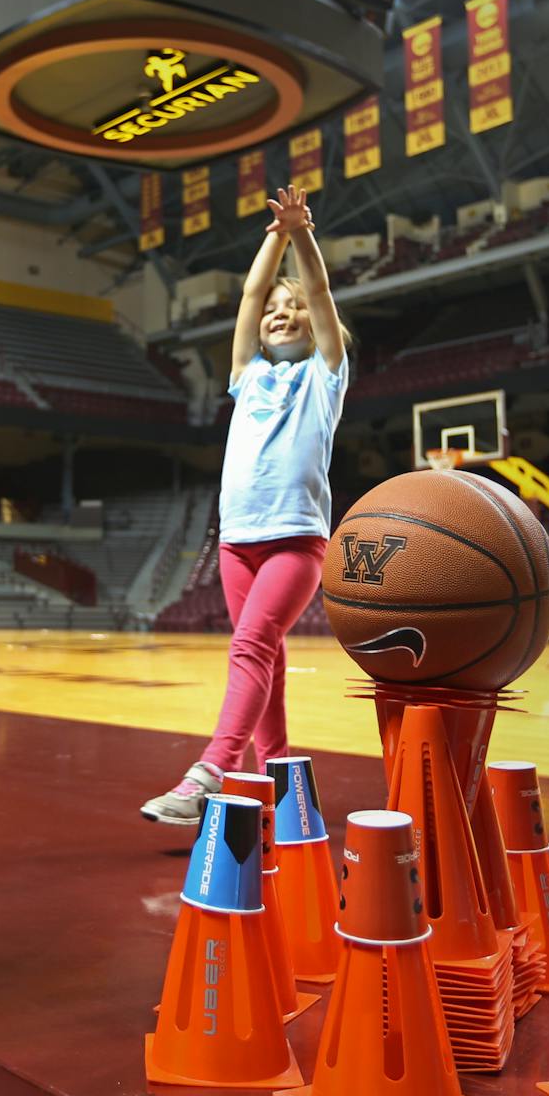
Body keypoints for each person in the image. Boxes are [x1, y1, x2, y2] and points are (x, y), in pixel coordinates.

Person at [142, 185, 348, 825]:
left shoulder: (324, 376)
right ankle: (279, 783)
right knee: (270, 664)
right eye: (274, 311)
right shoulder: (248, 373)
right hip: (237, 541)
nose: (281, 313)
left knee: (252, 647)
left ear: (319, 326)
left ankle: (211, 768)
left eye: (295, 309)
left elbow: (316, 295)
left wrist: (302, 235)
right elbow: (251, 296)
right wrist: (273, 238)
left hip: (295, 541)